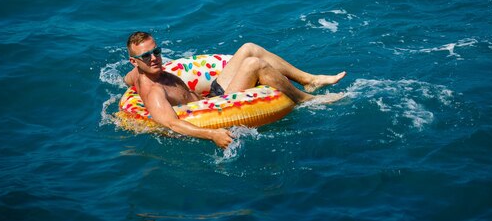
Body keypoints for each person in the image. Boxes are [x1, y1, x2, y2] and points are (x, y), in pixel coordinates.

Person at [124, 31, 346, 148]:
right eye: (146, 56)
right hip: (213, 108)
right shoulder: (154, 91)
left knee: (249, 48)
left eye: (156, 51)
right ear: (135, 61)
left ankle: (310, 79)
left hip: (211, 96)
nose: (154, 58)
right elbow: (171, 123)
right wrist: (212, 135)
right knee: (254, 65)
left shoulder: (138, 72)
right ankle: (306, 100)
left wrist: (127, 79)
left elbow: (128, 79)